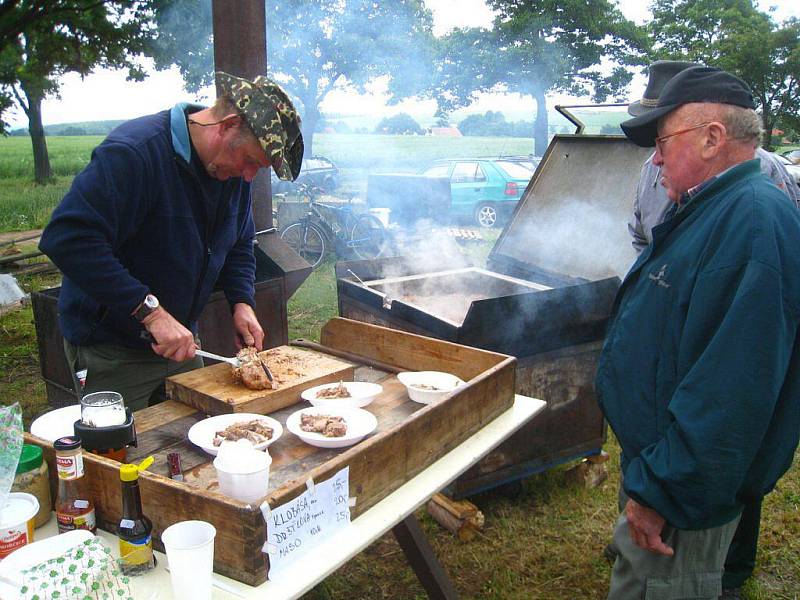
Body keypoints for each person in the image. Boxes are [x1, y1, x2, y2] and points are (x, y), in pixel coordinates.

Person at [596, 66, 800, 599]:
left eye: (662, 141)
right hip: (663, 466)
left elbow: (731, 391)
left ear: (713, 137)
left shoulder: (753, 223)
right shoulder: (711, 209)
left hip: (681, 494)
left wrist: (661, 492)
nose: (656, 158)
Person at [39, 71, 303, 412]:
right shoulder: (136, 153)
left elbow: (239, 242)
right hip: (111, 350)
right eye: (251, 161)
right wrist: (150, 313)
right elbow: (68, 238)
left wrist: (241, 301)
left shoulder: (229, 170)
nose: (250, 175)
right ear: (228, 125)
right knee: (120, 454)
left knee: (199, 437)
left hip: (181, 345)